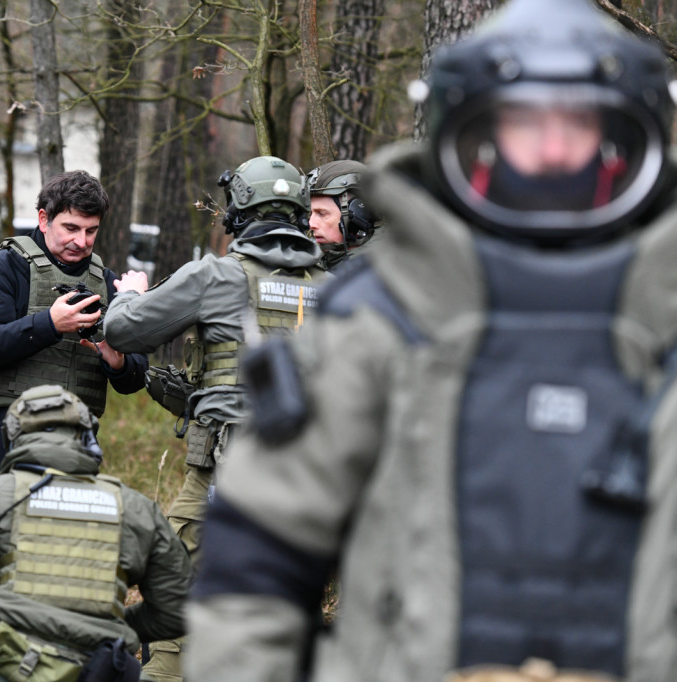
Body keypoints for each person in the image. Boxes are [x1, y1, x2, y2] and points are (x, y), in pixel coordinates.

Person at [185, 0, 677, 680]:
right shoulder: (382, 317)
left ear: (626, 138)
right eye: (524, 124)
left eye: (579, 124)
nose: (554, 151)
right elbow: (257, 558)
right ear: (475, 137)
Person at [103, 155, 328, 681]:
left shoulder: (217, 275)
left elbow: (125, 331)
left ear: (238, 212)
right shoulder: (336, 287)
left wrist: (129, 295)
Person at [0, 384, 191, 682]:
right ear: (88, 441)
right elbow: (177, 611)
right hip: (96, 670)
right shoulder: (135, 507)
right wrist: (108, 625)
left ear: (13, 442)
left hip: (2, 669)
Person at [0, 170, 148, 491]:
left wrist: (118, 363)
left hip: (73, 452)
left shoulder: (107, 283)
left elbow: (136, 377)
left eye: (91, 231)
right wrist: (50, 324)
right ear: (44, 219)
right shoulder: (4, 267)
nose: (81, 241)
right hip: (2, 446)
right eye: (71, 228)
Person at [306, 159, 382, 270]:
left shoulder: (382, 270)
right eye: (310, 213)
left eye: (322, 214)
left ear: (358, 214)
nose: (311, 224)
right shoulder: (310, 263)